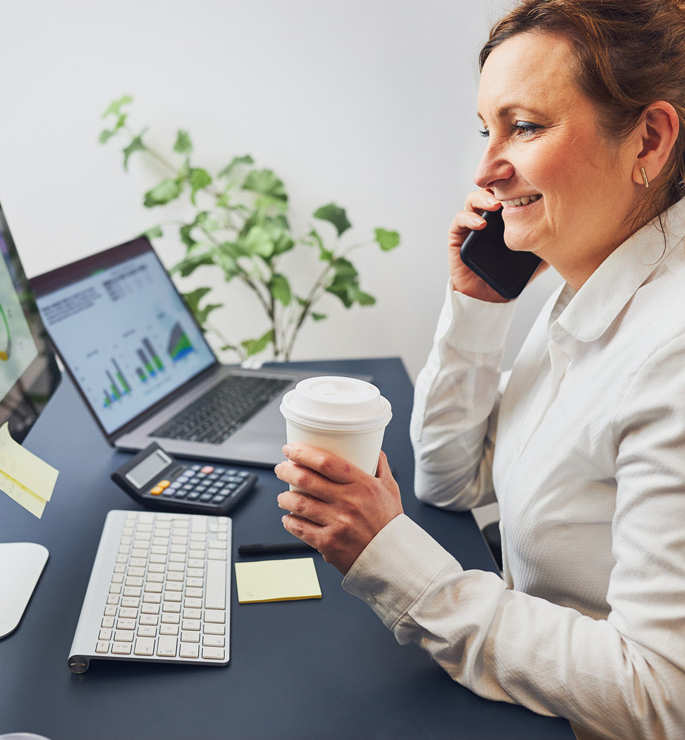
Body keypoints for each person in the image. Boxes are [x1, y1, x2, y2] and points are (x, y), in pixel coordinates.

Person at [273, 1, 685, 739]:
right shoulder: (585, 280)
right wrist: (477, 305)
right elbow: (449, 477)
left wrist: (389, 559)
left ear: (649, 139)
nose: (487, 171)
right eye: (485, 128)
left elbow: (661, 694)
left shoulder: (671, 352)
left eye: (524, 127)